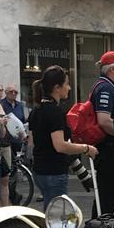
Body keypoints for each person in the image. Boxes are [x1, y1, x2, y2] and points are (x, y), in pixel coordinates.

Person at [28, 65, 98, 207]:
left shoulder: (36, 110)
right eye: (66, 84)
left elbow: (32, 142)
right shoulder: (55, 112)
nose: (69, 88)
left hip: (40, 170)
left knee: (50, 212)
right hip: (54, 171)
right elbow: (60, 145)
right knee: (57, 215)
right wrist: (86, 148)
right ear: (57, 87)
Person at [89, 51, 114, 215]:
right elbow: (104, 121)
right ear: (113, 68)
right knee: (107, 196)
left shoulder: (108, 86)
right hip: (108, 149)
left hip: (110, 148)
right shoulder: (105, 88)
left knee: (109, 195)